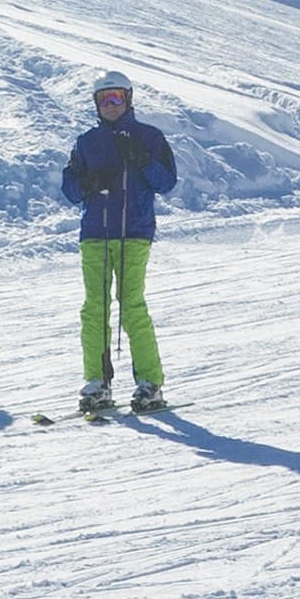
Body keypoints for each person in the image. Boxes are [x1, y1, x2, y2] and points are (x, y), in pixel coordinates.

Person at [62, 72, 180, 417]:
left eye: (115, 99)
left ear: (128, 99)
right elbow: (69, 188)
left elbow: (167, 182)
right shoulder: (86, 142)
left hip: (134, 232)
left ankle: (150, 382)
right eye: (103, 100)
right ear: (96, 105)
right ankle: (97, 382)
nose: (110, 106)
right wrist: (87, 183)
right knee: (93, 309)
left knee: (131, 306)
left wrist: (142, 158)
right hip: (95, 233)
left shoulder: (149, 137)